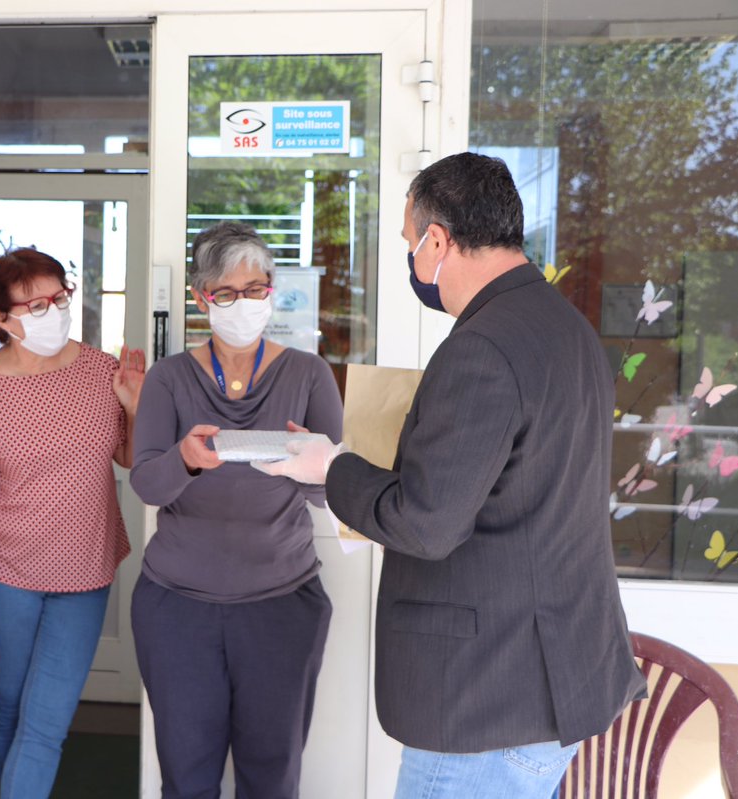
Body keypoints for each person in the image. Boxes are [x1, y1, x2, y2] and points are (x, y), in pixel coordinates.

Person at [257, 152, 646, 799]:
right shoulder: (566, 327)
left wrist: (331, 466)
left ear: (437, 241)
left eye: (409, 242)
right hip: (550, 678)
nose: (410, 258)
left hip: (490, 698)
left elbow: (426, 523)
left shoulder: (483, 348)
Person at [128, 221, 343, 799]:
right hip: (177, 609)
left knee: (272, 777)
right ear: (201, 298)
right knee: (186, 777)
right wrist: (186, 459)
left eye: (254, 289)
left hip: (282, 604)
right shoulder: (170, 378)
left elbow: (332, 493)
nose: (243, 303)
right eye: (226, 293)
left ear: (271, 289)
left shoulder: (309, 374)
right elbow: (147, 484)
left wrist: (312, 464)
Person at [0, 248, 143, 799]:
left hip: (84, 571)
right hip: (5, 575)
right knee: (9, 713)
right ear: (0, 318)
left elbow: (129, 458)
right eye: (35, 306)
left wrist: (133, 405)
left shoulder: (102, 371)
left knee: (45, 724)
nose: (53, 312)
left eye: (59, 298)